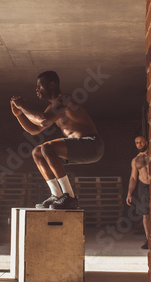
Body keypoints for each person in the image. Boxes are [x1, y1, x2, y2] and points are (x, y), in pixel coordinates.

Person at [10, 71, 104, 209]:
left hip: (92, 144)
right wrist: (18, 114)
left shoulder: (65, 100)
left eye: (40, 86)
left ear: (51, 84)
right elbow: (34, 130)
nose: (37, 90)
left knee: (47, 148)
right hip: (80, 147)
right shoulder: (51, 108)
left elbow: (44, 121)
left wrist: (23, 107)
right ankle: (57, 195)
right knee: (37, 152)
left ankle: (70, 197)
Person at [126, 135, 150, 249]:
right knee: (145, 214)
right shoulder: (135, 160)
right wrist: (129, 193)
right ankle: (148, 240)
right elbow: (133, 178)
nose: (139, 144)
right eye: (136, 143)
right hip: (143, 186)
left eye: (141, 142)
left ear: (146, 142)